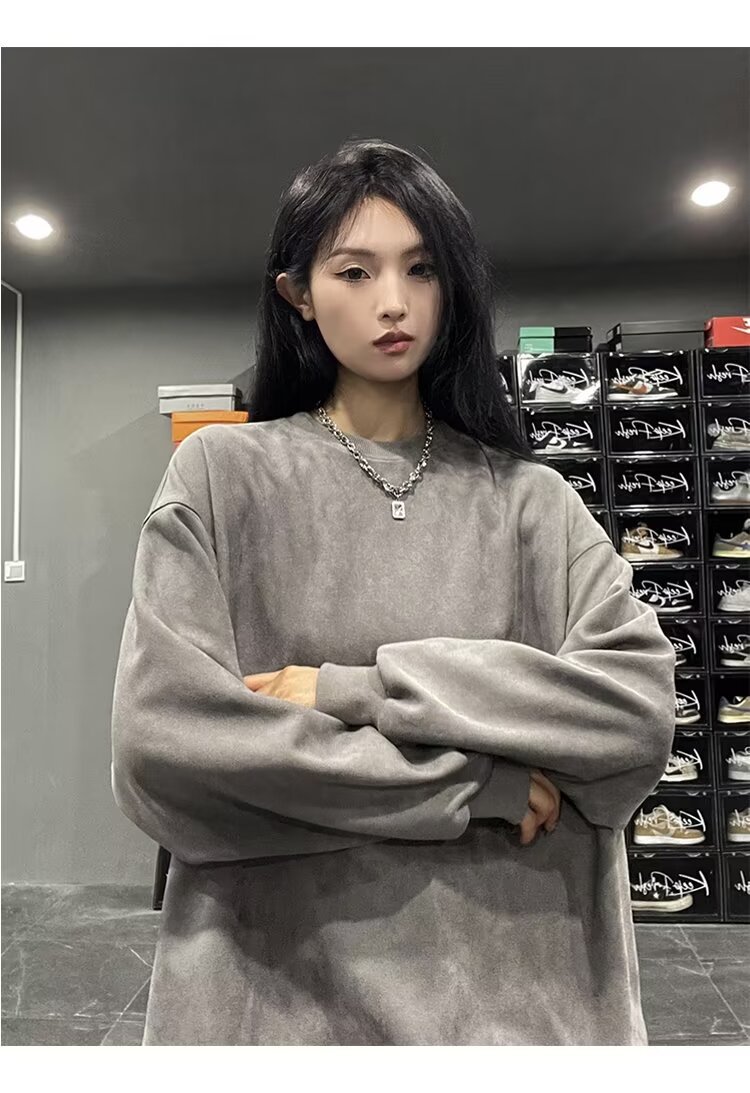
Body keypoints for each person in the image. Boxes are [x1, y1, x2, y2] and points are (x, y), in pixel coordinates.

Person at [110, 137, 677, 1046]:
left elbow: (635, 717)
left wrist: (351, 689)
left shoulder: (531, 499)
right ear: (297, 292)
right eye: (354, 270)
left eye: (422, 269)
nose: (393, 301)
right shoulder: (221, 475)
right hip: (273, 1006)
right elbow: (166, 752)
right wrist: (474, 783)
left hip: (520, 1010)